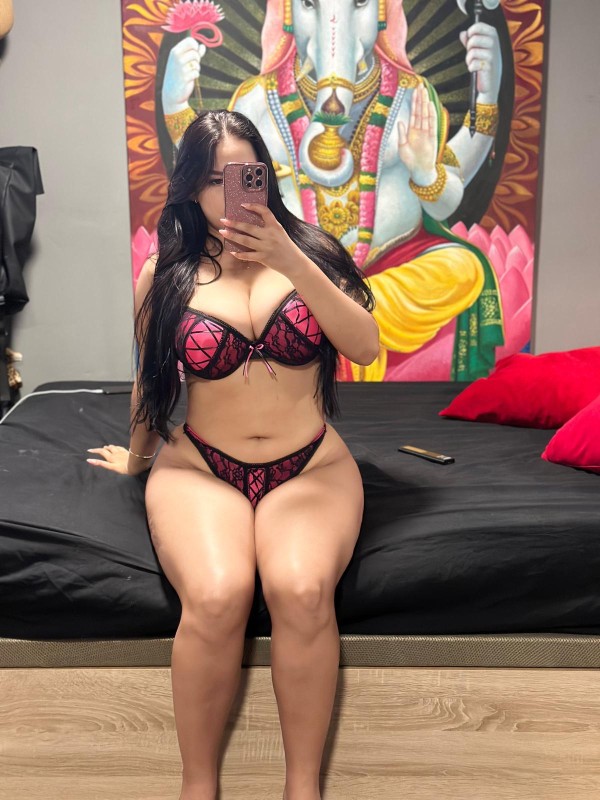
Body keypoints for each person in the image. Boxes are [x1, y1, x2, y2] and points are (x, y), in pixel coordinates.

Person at [87, 109, 379, 800]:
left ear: (266, 178)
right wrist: (137, 459)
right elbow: (151, 381)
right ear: (191, 187)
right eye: (214, 180)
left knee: (302, 591)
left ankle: (303, 788)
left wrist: (288, 259)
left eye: (245, 175)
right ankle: (199, 788)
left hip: (309, 466)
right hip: (201, 469)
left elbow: (366, 347)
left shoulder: (312, 254)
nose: (231, 193)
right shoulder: (166, 276)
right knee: (218, 596)